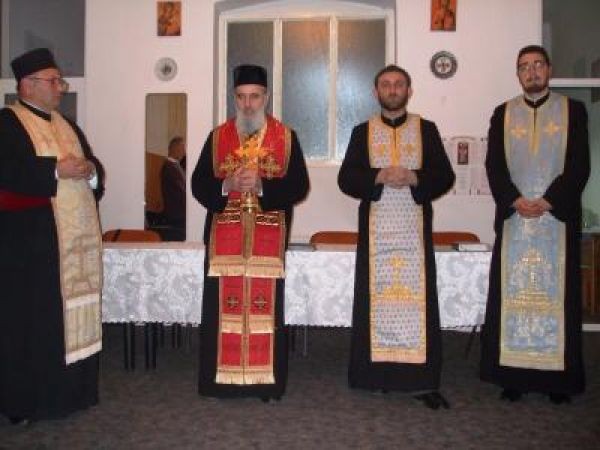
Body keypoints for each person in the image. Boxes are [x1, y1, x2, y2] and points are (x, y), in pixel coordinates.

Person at [338, 65, 455, 409]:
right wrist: (377, 176)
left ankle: (420, 380)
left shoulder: (426, 129)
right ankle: (375, 377)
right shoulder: (362, 132)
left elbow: (444, 176)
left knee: (418, 305)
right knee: (374, 303)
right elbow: (347, 179)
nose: (392, 90)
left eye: (398, 84)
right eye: (386, 85)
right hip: (376, 234)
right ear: (376, 92)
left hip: (413, 235)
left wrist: (415, 178)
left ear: (409, 90)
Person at [191, 64, 309, 401]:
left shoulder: (286, 138)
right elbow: (199, 185)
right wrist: (226, 184)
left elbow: (298, 186)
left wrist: (262, 187)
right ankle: (221, 382)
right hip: (223, 245)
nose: (247, 104)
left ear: (265, 98)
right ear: (234, 98)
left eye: (254, 97)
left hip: (267, 245)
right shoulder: (218, 138)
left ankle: (264, 384)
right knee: (220, 313)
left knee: (265, 314)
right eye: (241, 97)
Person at [480, 45, 590, 404]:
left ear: (549, 69)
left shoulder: (573, 110)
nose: (531, 72)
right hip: (515, 221)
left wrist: (549, 200)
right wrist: (513, 199)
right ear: (518, 74)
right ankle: (513, 377)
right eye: (524, 67)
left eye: (537, 65)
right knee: (512, 298)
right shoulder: (503, 113)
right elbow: (494, 164)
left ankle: (557, 382)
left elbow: (579, 164)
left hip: (556, 221)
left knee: (558, 300)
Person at [0, 48, 104, 424]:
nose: (61, 87)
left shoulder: (66, 125)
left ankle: (75, 393)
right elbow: (8, 172)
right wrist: (56, 171)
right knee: (35, 324)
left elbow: (91, 168)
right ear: (27, 85)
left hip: (74, 247)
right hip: (32, 250)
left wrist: (90, 169)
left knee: (72, 317)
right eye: (54, 80)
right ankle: (31, 403)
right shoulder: (8, 123)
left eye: (60, 80)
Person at [161, 136, 186, 240]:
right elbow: (181, 191)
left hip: (179, 215)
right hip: (176, 216)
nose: (184, 152)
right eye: (182, 148)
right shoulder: (169, 167)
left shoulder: (175, 165)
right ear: (175, 148)